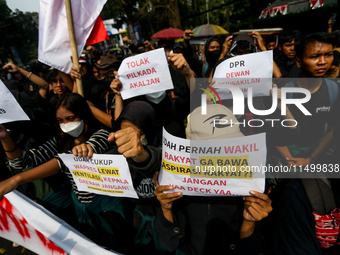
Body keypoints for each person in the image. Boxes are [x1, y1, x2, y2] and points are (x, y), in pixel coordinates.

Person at [0, 93, 132, 251]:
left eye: (71, 118)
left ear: (84, 115)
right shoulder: (60, 141)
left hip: (108, 208)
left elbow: (65, 162)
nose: (66, 124)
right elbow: (22, 161)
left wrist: (16, 180)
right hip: (81, 206)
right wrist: (4, 137)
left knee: (118, 245)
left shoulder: (103, 136)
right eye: (60, 120)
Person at [153, 104, 272, 255]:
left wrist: (250, 221)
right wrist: (166, 208)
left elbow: (250, 248)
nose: (224, 153)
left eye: (229, 144)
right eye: (215, 148)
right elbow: (168, 243)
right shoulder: (176, 180)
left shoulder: (248, 177)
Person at [268, 32, 340, 255]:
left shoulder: (333, 89)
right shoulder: (281, 91)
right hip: (287, 166)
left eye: (328, 55)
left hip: (318, 163)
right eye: (315, 56)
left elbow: (331, 130)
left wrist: (311, 159)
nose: (322, 62)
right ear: (299, 61)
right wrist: (292, 161)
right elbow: (273, 134)